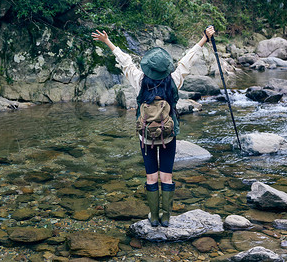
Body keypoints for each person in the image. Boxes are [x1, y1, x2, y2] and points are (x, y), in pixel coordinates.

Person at [92, 26, 215, 227]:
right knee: (166, 175)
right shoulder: (174, 80)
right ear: (166, 67)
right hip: (168, 136)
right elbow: (187, 60)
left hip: (146, 137)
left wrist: (107, 42)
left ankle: (154, 217)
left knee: (151, 177)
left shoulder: (140, 80)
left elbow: (125, 62)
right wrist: (204, 39)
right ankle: (166, 218)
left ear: (148, 67)